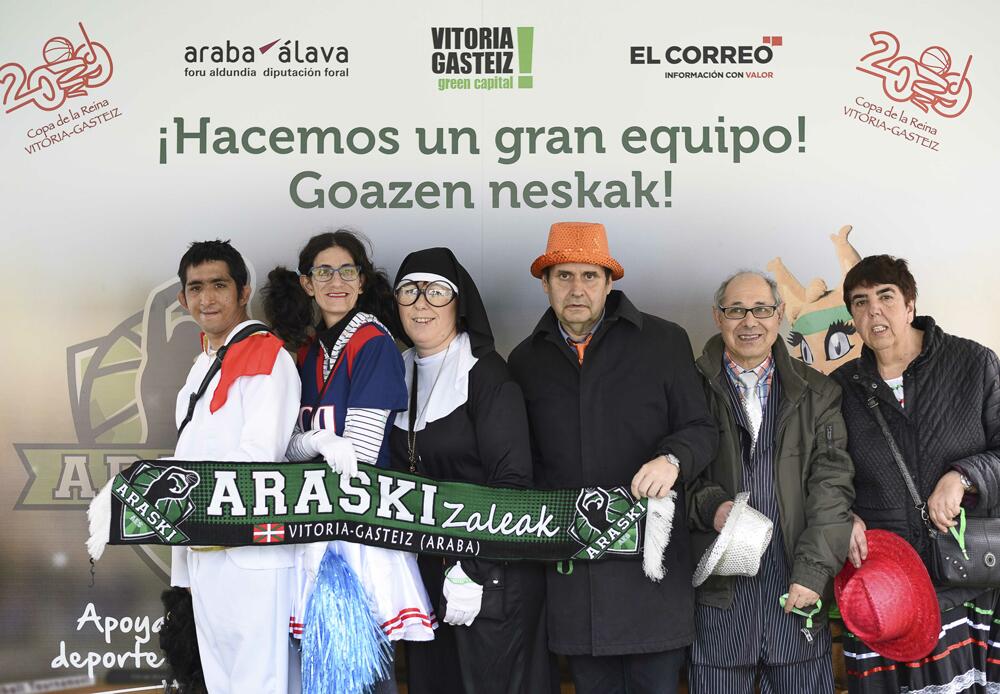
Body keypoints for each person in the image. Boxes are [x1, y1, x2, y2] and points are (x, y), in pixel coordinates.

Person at [508, 222, 718, 694]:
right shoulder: (525, 361)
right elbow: (526, 467)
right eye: (564, 276)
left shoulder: (664, 341)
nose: (576, 288)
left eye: (589, 276)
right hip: (576, 581)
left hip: (652, 576)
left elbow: (702, 430)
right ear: (545, 283)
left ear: (609, 282)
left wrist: (673, 459)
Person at [263, 230, 435, 691]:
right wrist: (318, 439)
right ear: (306, 283)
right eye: (323, 271)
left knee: (365, 671)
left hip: (360, 530)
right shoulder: (306, 350)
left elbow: (356, 452)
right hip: (311, 528)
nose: (335, 281)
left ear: (361, 281)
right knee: (315, 675)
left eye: (346, 271)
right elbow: (283, 445)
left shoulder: (372, 342)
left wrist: (313, 444)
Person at [831, 254, 1000, 693]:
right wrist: (841, 515)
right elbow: (825, 473)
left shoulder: (974, 364)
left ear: (910, 305)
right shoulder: (840, 387)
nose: (874, 312)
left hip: (969, 578)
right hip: (887, 587)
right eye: (860, 302)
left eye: (886, 297)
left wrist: (962, 477)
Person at [387, 247, 548, 694]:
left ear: (459, 303)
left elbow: (513, 485)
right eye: (410, 292)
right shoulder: (395, 372)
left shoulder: (486, 375)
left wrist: (474, 570)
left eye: (437, 292)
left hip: (492, 579)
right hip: (430, 577)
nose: (422, 303)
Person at [686, 270, 854, 693]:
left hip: (796, 589)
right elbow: (673, 479)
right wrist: (712, 506)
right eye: (736, 310)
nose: (749, 321)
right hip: (718, 599)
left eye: (761, 309)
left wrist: (814, 572)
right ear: (717, 316)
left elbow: (832, 489)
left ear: (779, 315)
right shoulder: (686, 388)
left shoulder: (819, 393)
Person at [169, 239, 301, 694]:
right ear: (183, 298)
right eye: (196, 287)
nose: (207, 298)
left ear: (243, 291)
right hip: (205, 557)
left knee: (261, 685)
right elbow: (185, 465)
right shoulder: (200, 363)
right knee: (223, 684)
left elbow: (258, 462)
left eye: (219, 285)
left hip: (253, 557)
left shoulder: (267, 355)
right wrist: (183, 572)